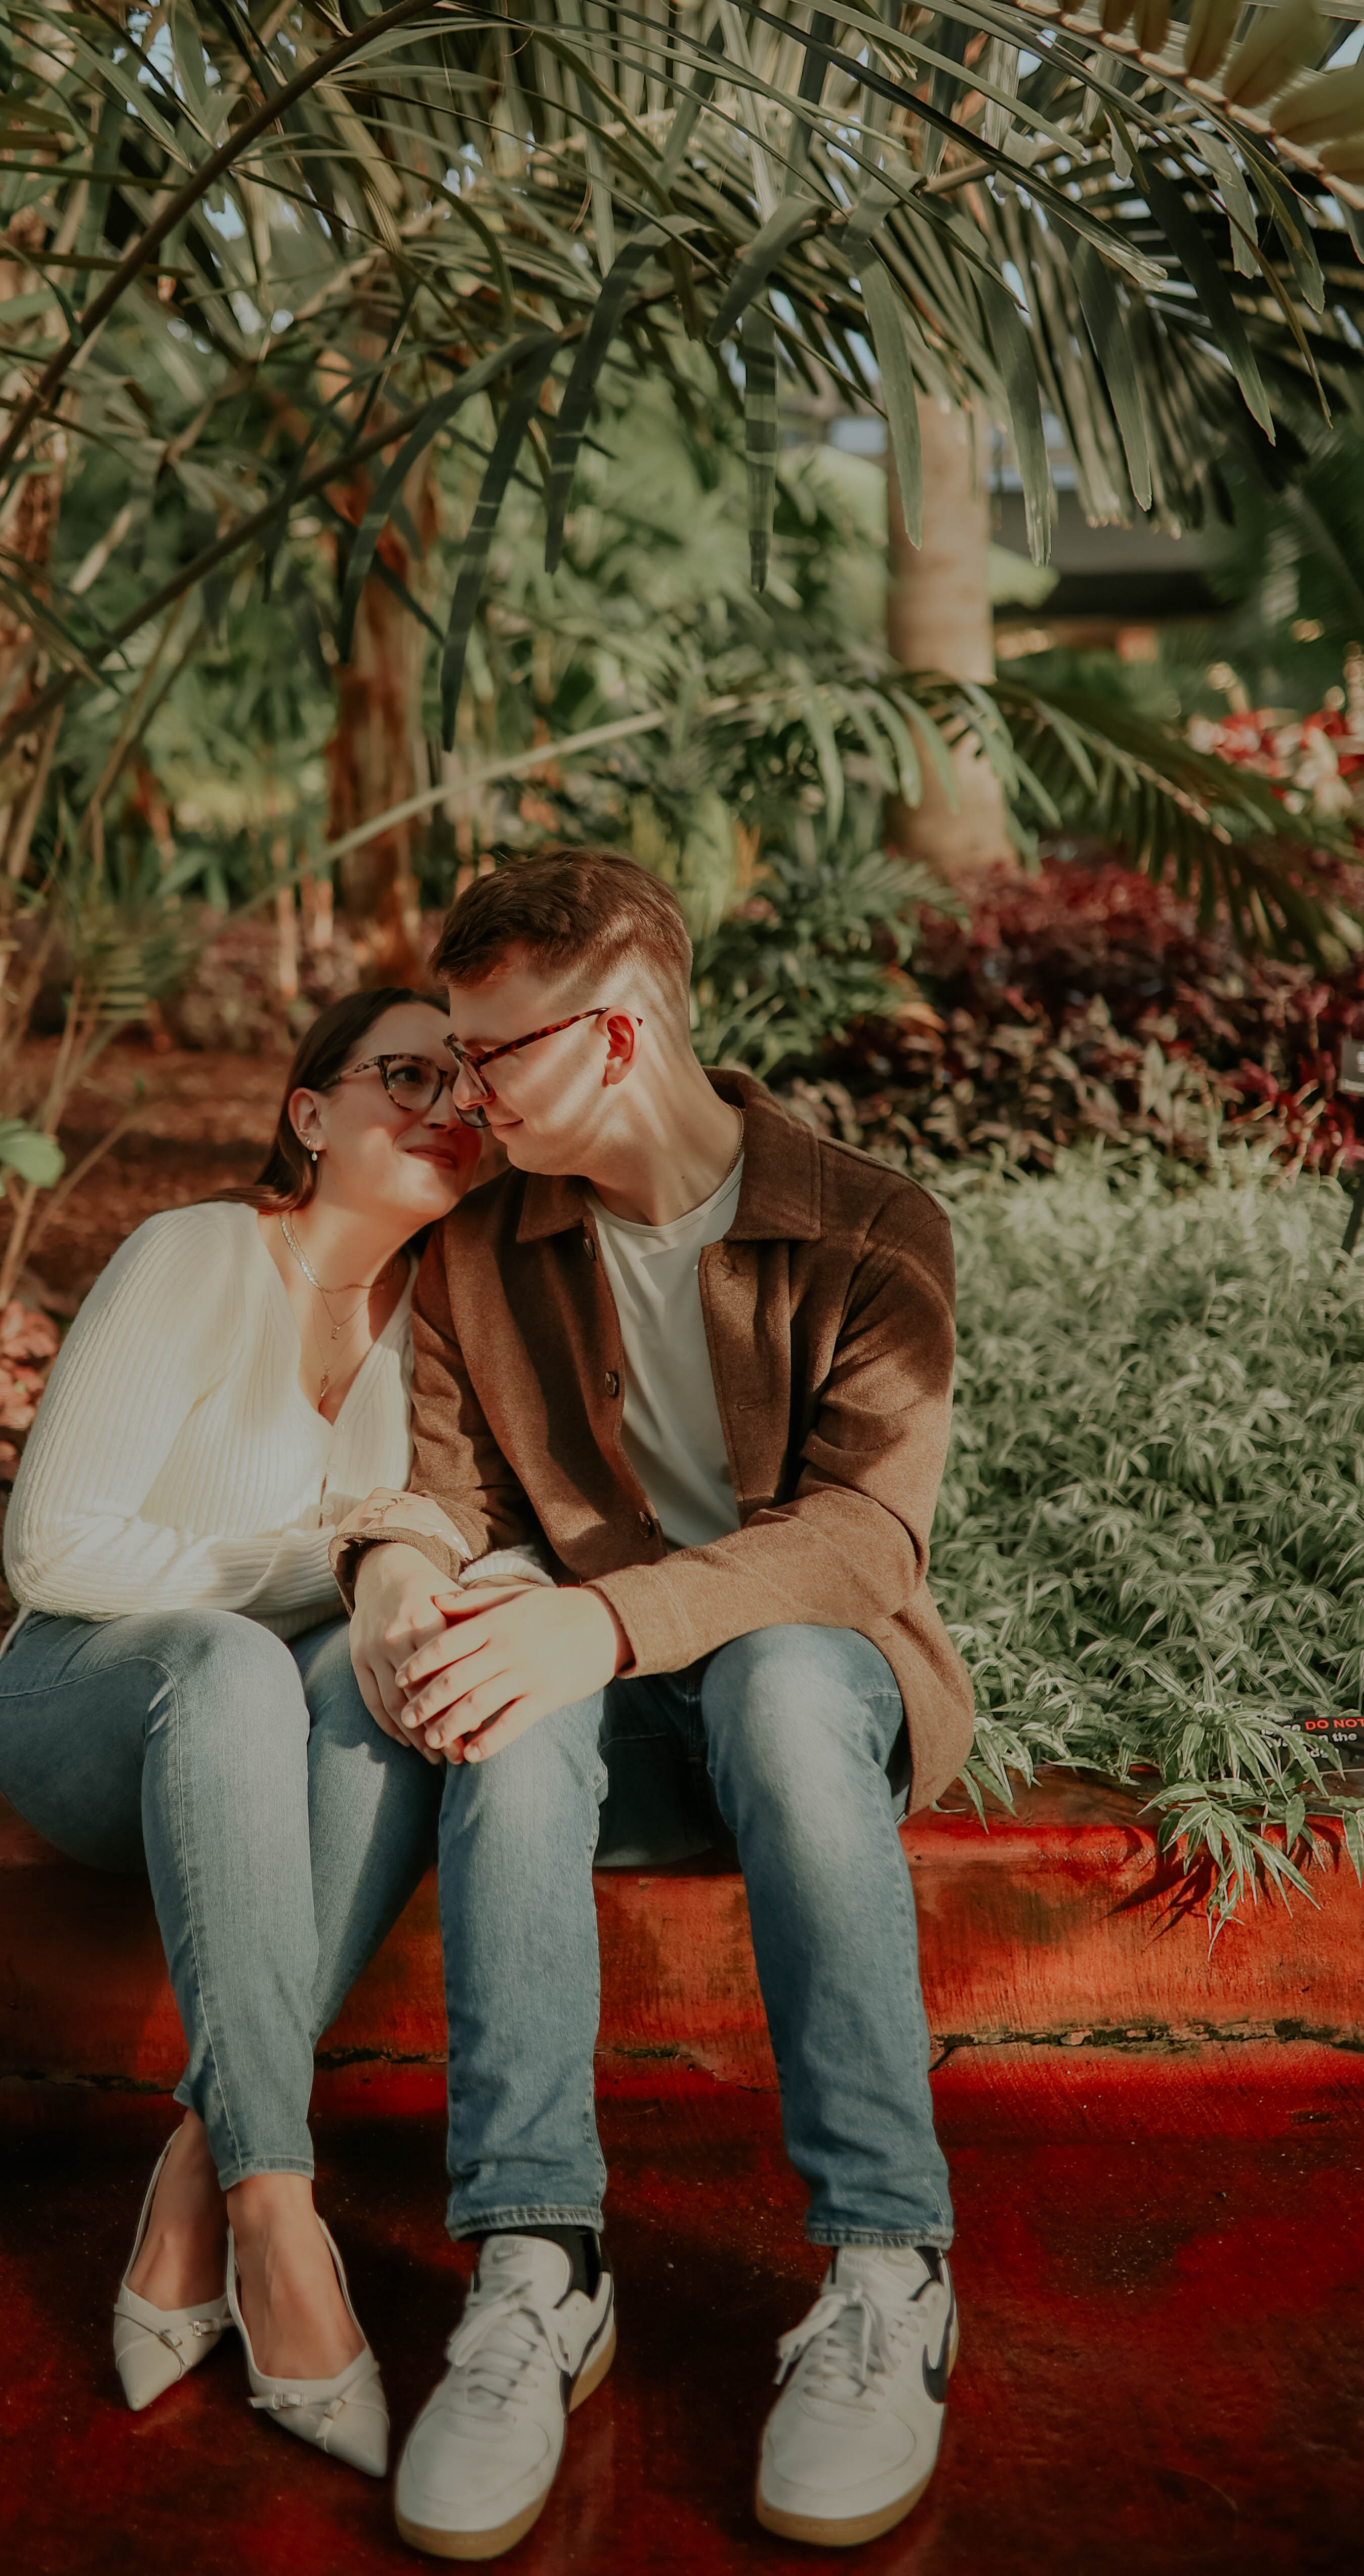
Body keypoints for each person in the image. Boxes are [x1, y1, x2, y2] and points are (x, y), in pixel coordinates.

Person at [328, 849, 972, 2557]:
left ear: (617, 1036)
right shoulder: (483, 1250)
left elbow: (862, 1542)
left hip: (811, 1692)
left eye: (492, 1054)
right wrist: (403, 1571)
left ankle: (888, 2268)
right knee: (506, 1701)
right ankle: (538, 2266)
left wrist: (601, 1623)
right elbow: (442, 1491)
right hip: (603, 1703)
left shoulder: (869, 1224)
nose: (462, 1094)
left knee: (762, 1679)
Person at [0, 986, 515, 2481]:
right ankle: (282, 2215)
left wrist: (398, 1580)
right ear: (310, 1111)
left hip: (276, 1734)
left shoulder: (447, 1329)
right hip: (95, 1700)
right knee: (238, 1663)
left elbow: (476, 1552)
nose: (442, 1107)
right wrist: (345, 1550)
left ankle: (203, 2178)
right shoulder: (198, 1256)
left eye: (468, 1086)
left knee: (375, 1678)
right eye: (404, 1074)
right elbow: (58, 1552)